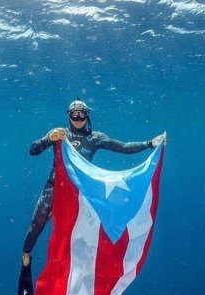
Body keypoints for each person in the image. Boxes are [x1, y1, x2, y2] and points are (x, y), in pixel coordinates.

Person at [22, 98, 167, 268]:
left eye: (81, 114)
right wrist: (47, 139)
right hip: (54, 187)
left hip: (79, 192)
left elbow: (123, 147)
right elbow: (33, 150)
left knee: (80, 235)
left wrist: (150, 144)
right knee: (36, 224)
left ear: (87, 115)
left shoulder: (95, 138)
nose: (78, 118)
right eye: (74, 114)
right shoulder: (59, 134)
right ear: (68, 116)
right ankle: (26, 256)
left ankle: (84, 273)